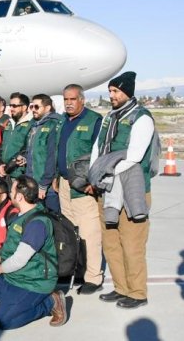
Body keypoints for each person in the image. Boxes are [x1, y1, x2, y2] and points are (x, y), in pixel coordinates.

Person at [91, 71, 155, 309]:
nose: (112, 95)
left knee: (132, 243)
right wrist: (95, 174)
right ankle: (121, 288)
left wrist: (105, 171)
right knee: (111, 242)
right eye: (110, 91)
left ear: (127, 91)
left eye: (116, 91)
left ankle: (138, 293)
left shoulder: (142, 118)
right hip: (107, 188)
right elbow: (98, 149)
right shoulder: (109, 117)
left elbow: (134, 156)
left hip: (131, 190)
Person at [0, 175, 66, 329]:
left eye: (11, 190)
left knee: (3, 321)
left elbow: (19, 260)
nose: (10, 193)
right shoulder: (20, 216)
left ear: (20, 197)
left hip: (33, 282)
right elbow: (9, 247)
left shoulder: (37, 223)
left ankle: (50, 302)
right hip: (15, 277)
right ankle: (15, 301)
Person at [55, 84, 103, 294]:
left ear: (82, 100)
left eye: (73, 99)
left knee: (89, 233)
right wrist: (58, 176)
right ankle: (78, 271)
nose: (68, 103)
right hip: (65, 184)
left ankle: (93, 277)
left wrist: (94, 182)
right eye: (66, 99)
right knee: (71, 233)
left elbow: (100, 154)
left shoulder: (94, 120)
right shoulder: (63, 121)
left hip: (84, 186)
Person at [25, 94, 63, 212]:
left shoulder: (53, 124)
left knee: (52, 218)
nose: (33, 110)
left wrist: (44, 184)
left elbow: (52, 156)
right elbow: (34, 151)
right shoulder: (35, 125)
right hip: (33, 180)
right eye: (31, 107)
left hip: (46, 186)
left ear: (47, 108)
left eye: (37, 107)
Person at [0, 93, 32, 179]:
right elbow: (2, 145)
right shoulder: (10, 122)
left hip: (18, 173)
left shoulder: (31, 124)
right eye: (10, 105)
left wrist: (9, 167)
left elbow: (27, 149)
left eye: (14, 106)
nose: (11, 108)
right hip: (4, 171)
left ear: (24, 107)